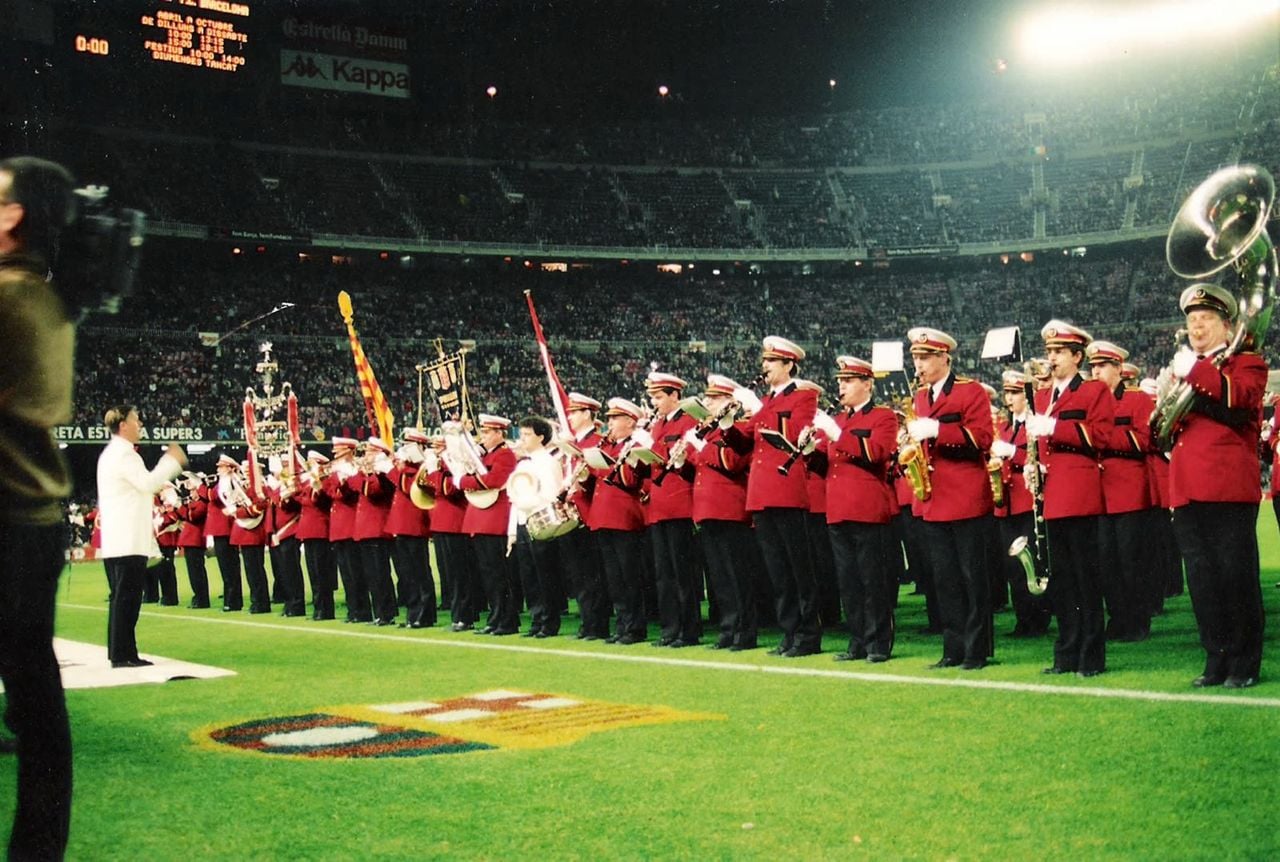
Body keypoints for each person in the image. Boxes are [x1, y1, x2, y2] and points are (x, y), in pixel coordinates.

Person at [0, 155, 77, 861]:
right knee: (36, 701)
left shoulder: (8, 297)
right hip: (32, 524)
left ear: (13, 215)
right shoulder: (45, 299)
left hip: (7, 520)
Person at [1165, 284, 1267, 689]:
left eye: (1206, 319)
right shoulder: (1188, 370)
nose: (1197, 327)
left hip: (1227, 487)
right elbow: (1164, 430)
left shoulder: (1247, 363)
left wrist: (1194, 372)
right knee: (1202, 582)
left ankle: (1244, 663)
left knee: (1235, 578)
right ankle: (1216, 658)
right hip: (1186, 488)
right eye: (1192, 320)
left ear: (1227, 326)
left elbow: (1238, 402)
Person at [722, 336, 821, 658]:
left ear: (789, 364)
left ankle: (808, 635)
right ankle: (790, 632)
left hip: (787, 489)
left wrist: (757, 407)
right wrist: (727, 426)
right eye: (764, 361)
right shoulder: (767, 401)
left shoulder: (803, 396)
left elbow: (795, 436)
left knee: (798, 569)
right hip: (762, 493)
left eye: (771, 361)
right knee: (778, 572)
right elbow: (744, 443)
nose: (765, 367)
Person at [904, 326, 994, 670]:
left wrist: (939, 430)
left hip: (965, 496)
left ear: (944, 357)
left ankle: (976, 649)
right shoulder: (920, 397)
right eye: (915, 358)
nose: (919, 365)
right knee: (945, 580)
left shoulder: (971, 391)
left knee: (973, 578)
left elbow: (983, 438)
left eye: (925, 358)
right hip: (934, 499)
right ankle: (953, 647)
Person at [1027, 320, 1114, 679]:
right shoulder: (1042, 397)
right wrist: (1034, 466)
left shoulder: (1094, 391)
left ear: (1078, 356)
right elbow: (1041, 449)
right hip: (1053, 496)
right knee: (1062, 581)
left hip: (1080, 495)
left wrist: (1055, 428)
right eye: (1049, 351)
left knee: (1086, 580)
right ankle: (1066, 652)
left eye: (1060, 352)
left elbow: (1102, 436)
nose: (1052, 358)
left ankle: (1091, 656)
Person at [811, 356, 899, 662]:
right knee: (848, 582)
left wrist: (837, 435)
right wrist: (808, 452)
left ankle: (878, 643)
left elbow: (876, 453)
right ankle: (858, 641)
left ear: (867, 384)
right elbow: (828, 467)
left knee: (873, 580)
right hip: (837, 508)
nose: (841, 387)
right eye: (840, 381)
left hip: (867, 507)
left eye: (848, 381)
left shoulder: (883, 417)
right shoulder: (839, 420)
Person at [96, 405, 187, 667]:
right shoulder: (125, 455)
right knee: (128, 598)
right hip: (129, 540)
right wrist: (171, 461)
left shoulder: (110, 454)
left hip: (117, 539)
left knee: (120, 598)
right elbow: (148, 484)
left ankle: (120, 652)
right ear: (123, 425)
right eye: (136, 419)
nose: (140, 424)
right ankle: (123, 655)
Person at [641, 372, 702, 647]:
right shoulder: (657, 425)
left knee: (682, 572)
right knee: (664, 573)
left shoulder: (687, 421)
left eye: (658, 397)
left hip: (678, 503)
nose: (654, 402)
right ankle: (670, 629)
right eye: (653, 397)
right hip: (658, 504)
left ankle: (688, 630)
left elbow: (687, 460)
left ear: (674, 395)